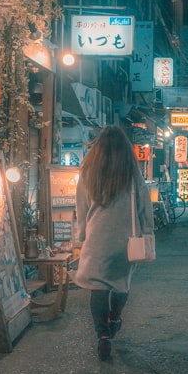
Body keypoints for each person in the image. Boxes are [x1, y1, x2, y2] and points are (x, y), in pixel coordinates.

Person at [73, 125, 154, 361]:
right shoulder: (130, 173)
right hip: (126, 240)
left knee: (98, 287)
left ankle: (103, 337)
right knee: (120, 283)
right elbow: (143, 206)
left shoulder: (88, 173)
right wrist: (147, 232)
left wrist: (81, 235)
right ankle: (115, 317)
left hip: (97, 238)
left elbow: (81, 208)